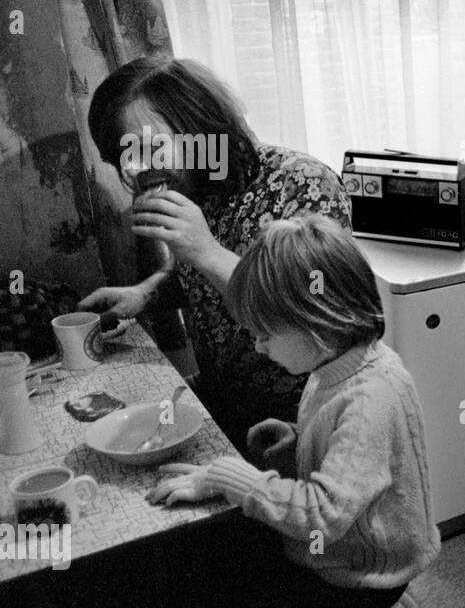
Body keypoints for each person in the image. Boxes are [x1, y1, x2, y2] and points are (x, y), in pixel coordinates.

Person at [65, 215, 439, 608]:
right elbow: (350, 471)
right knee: (206, 549)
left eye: (264, 334)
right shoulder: (338, 365)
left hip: (358, 579)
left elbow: (324, 517)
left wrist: (231, 478)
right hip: (343, 551)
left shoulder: (370, 396)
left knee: (206, 587)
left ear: (316, 323)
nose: (257, 346)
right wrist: (296, 444)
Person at [79, 56, 351, 445]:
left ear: (201, 128)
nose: (140, 170)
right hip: (224, 406)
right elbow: (195, 278)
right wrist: (145, 293)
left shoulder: (303, 184)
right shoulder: (195, 186)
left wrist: (205, 249)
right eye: (126, 158)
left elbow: (315, 312)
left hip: (303, 423)